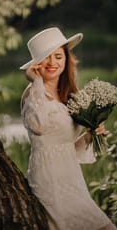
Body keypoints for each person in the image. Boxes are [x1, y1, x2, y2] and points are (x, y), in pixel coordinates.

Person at [20, 27, 116, 230]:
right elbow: (38, 126)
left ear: (66, 58)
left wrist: (90, 136)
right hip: (49, 178)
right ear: (36, 64)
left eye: (58, 56)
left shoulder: (70, 94)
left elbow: (69, 149)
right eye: (46, 57)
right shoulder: (33, 93)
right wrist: (36, 82)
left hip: (71, 176)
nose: (53, 63)